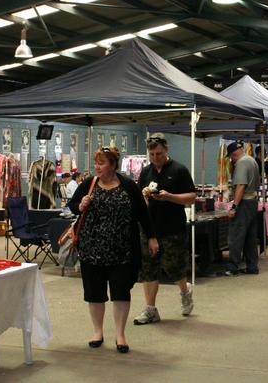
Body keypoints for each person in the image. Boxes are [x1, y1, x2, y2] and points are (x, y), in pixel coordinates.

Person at [68, 147, 157, 353]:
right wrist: (80, 205)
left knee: (120, 293)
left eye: (102, 163)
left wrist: (151, 237)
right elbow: (72, 206)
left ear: (113, 165)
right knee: (94, 293)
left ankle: (120, 334)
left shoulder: (128, 186)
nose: (97, 167)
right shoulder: (89, 184)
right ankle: (97, 331)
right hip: (92, 249)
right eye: (96, 162)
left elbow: (143, 214)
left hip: (122, 250)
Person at [134, 133, 196, 325]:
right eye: (151, 154)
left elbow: (192, 197)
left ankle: (185, 292)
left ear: (166, 149)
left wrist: (170, 197)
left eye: (158, 154)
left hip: (173, 229)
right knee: (148, 270)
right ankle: (151, 309)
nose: (155, 158)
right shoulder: (146, 172)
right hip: (150, 229)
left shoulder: (179, 170)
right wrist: (144, 197)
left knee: (175, 268)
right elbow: (139, 198)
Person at [225, 140, 261, 275]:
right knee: (250, 237)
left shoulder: (241, 163)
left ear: (233, 154)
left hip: (244, 202)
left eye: (231, 157)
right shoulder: (252, 160)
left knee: (236, 236)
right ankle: (252, 266)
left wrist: (234, 206)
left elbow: (241, 185)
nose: (232, 160)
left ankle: (233, 267)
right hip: (253, 201)